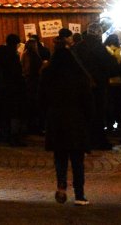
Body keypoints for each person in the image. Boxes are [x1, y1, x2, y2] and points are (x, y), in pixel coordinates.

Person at [41, 29, 94, 205]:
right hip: (76, 119)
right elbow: (88, 101)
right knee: (77, 160)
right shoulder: (79, 77)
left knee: (60, 156)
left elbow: (41, 98)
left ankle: (61, 185)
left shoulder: (48, 75)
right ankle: (80, 195)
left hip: (56, 119)